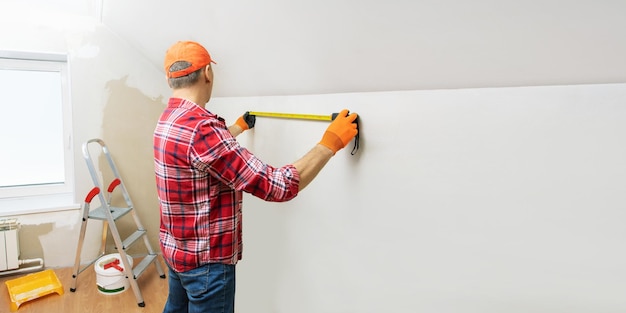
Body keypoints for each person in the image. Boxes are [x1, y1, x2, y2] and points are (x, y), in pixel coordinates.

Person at [153, 40, 358, 313]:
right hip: (206, 266)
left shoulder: (169, 119)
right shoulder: (204, 130)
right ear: (207, 74)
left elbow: (201, 157)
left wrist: (234, 128)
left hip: (176, 252)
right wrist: (330, 142)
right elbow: (278, 186)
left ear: (170, 79)